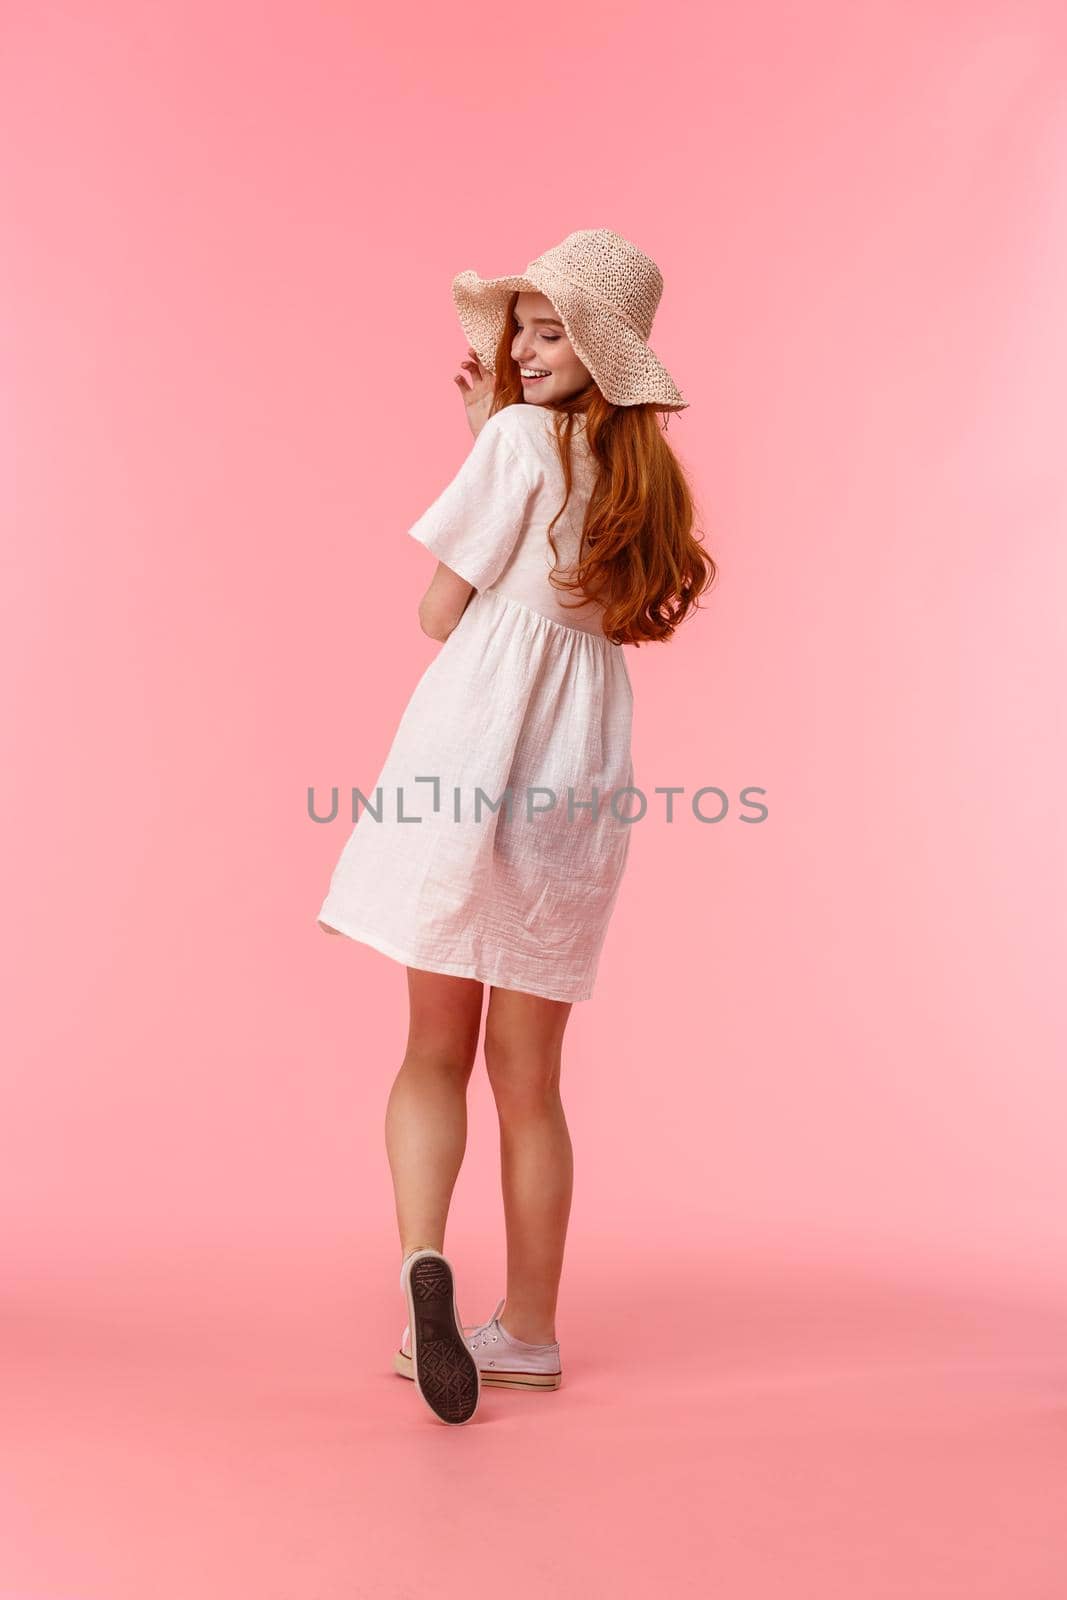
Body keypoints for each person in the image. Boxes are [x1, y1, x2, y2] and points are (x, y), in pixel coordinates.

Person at [315, 228, 715, 1425]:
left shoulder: (510, 439)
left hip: (467, 757)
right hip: (578, 773)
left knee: (433, 1050)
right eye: (521, 329)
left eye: (551, 332)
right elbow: (574, 587)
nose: (525, 349)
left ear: (600, 349)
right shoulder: (642, 475)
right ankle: (529, 1332)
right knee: (530, 1081)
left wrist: (488, 430)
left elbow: (441, 611)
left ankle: (422, 1265)